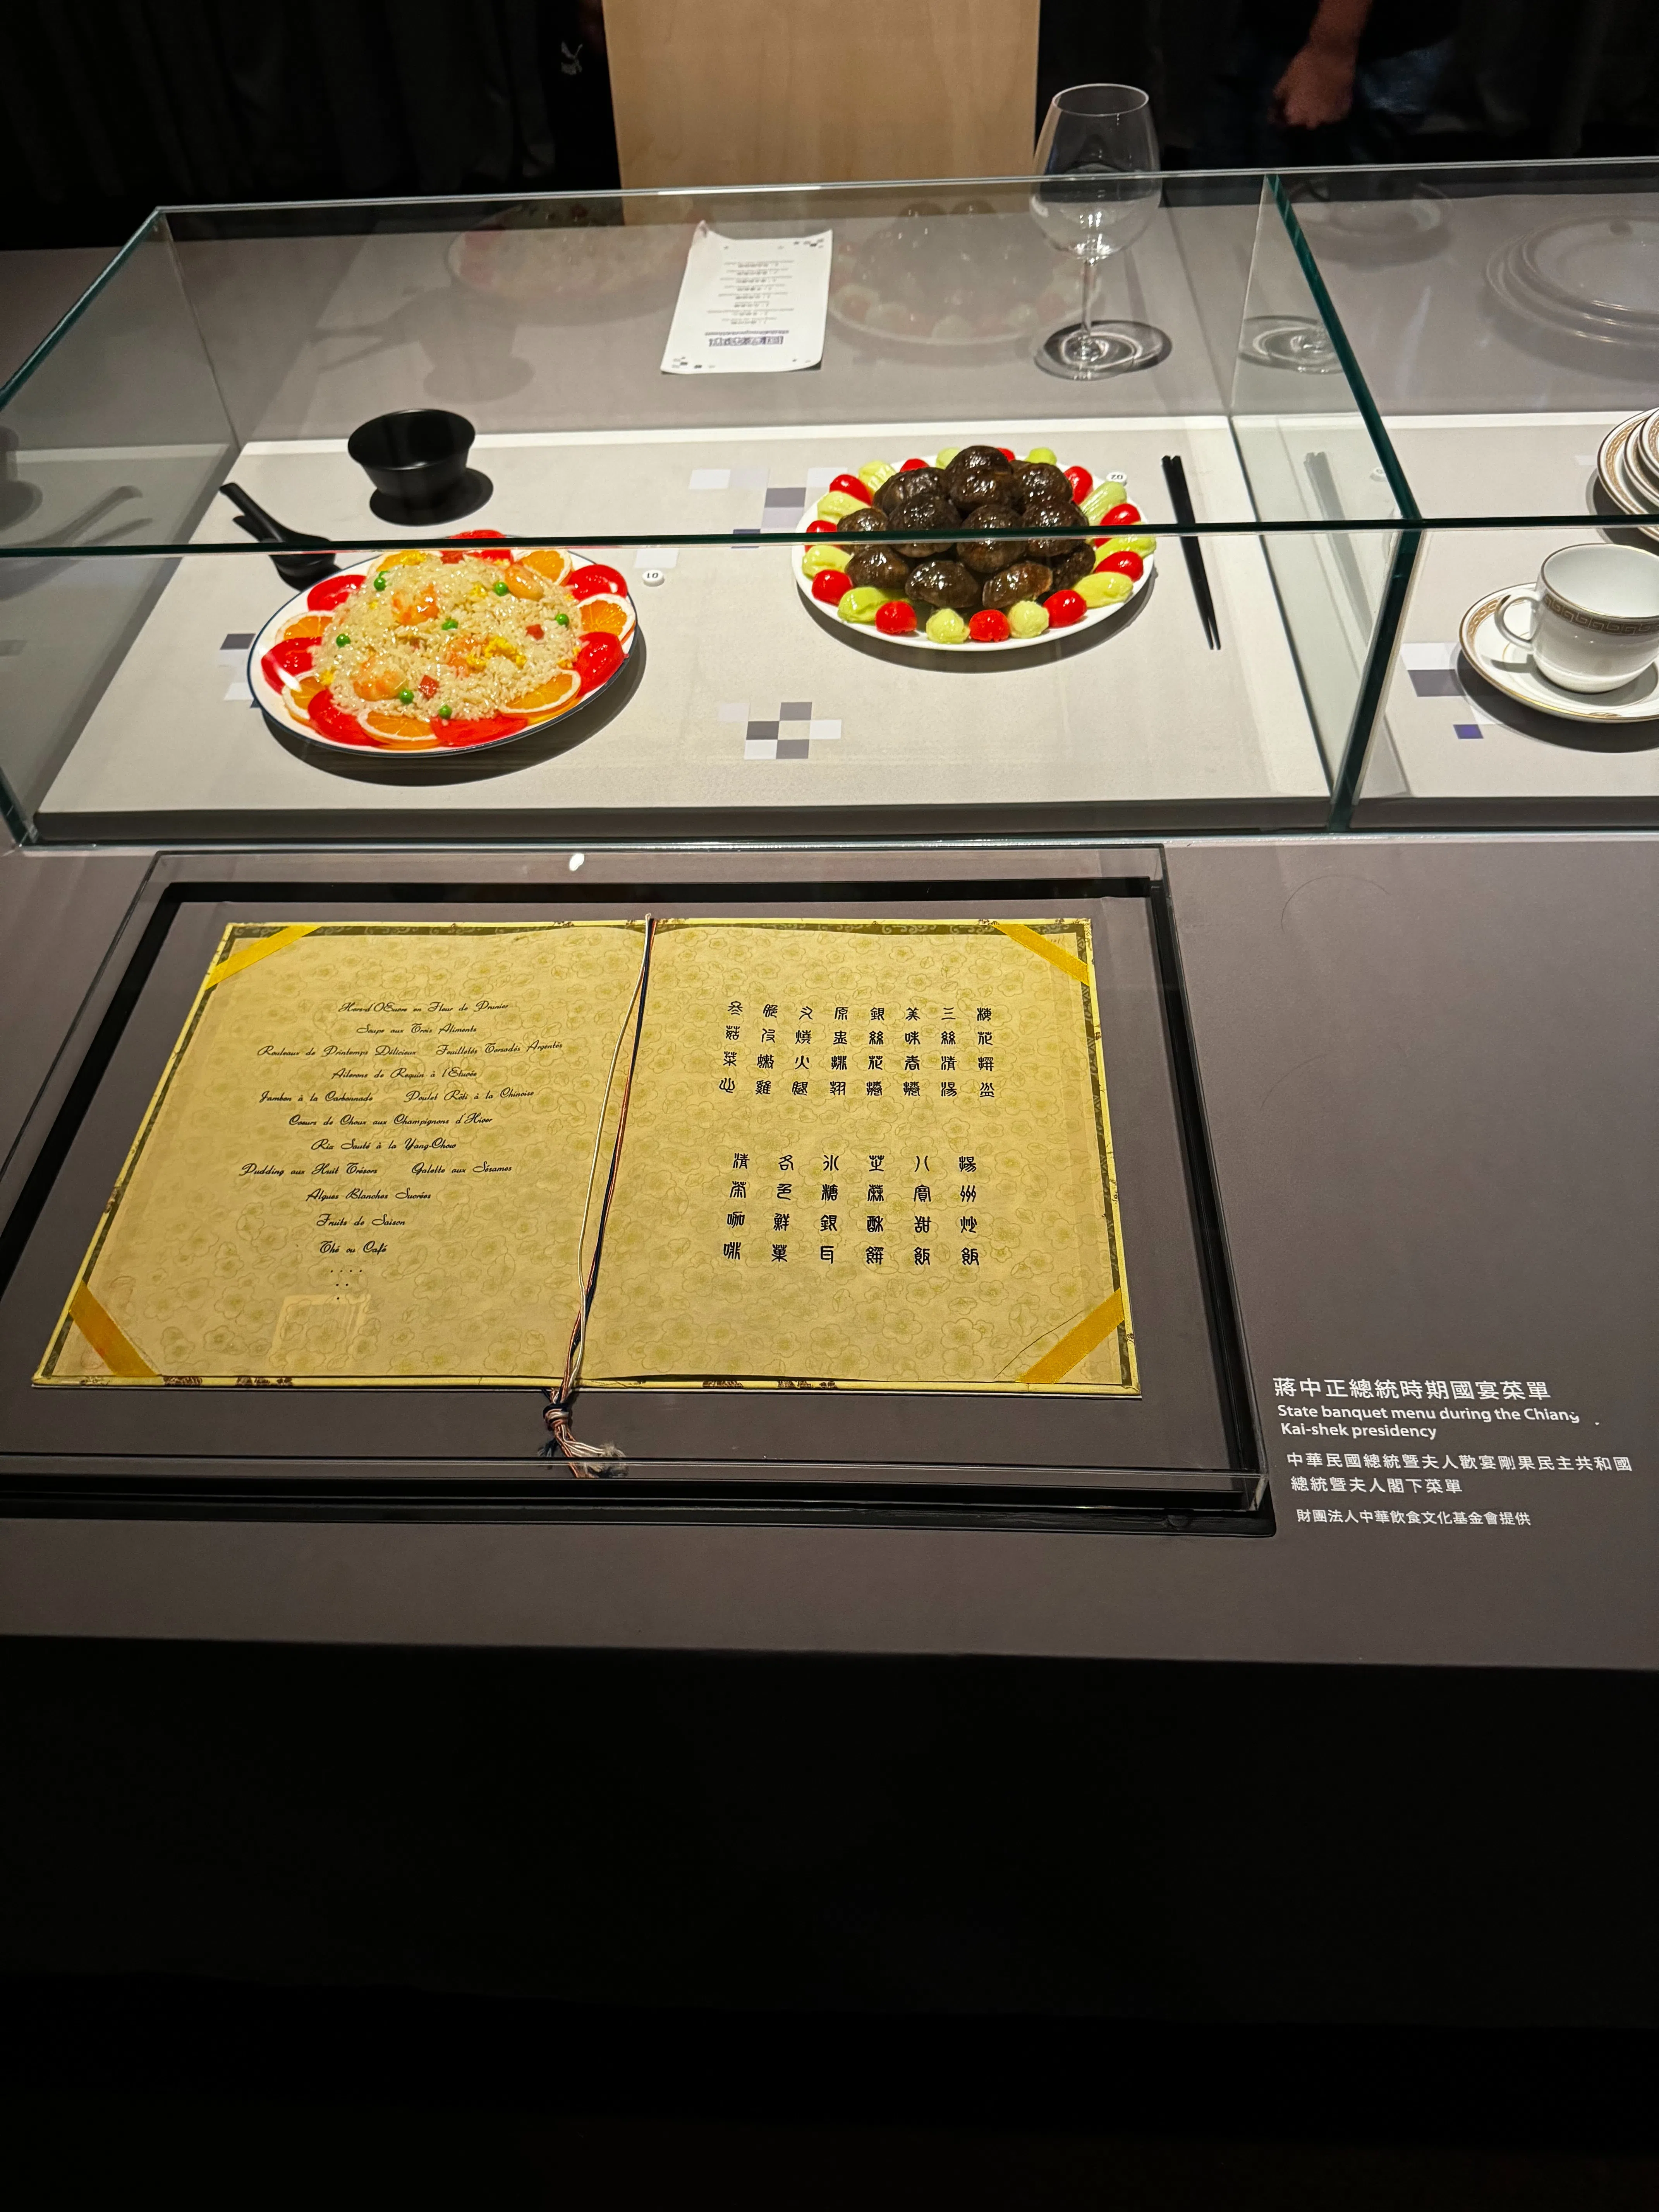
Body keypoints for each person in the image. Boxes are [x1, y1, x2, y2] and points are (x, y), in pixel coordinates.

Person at [1198, 0, 1458, 167]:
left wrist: (1330, 50)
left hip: (1350, 47)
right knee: (1223, 216)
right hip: (1277, 31)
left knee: (1317, 233)